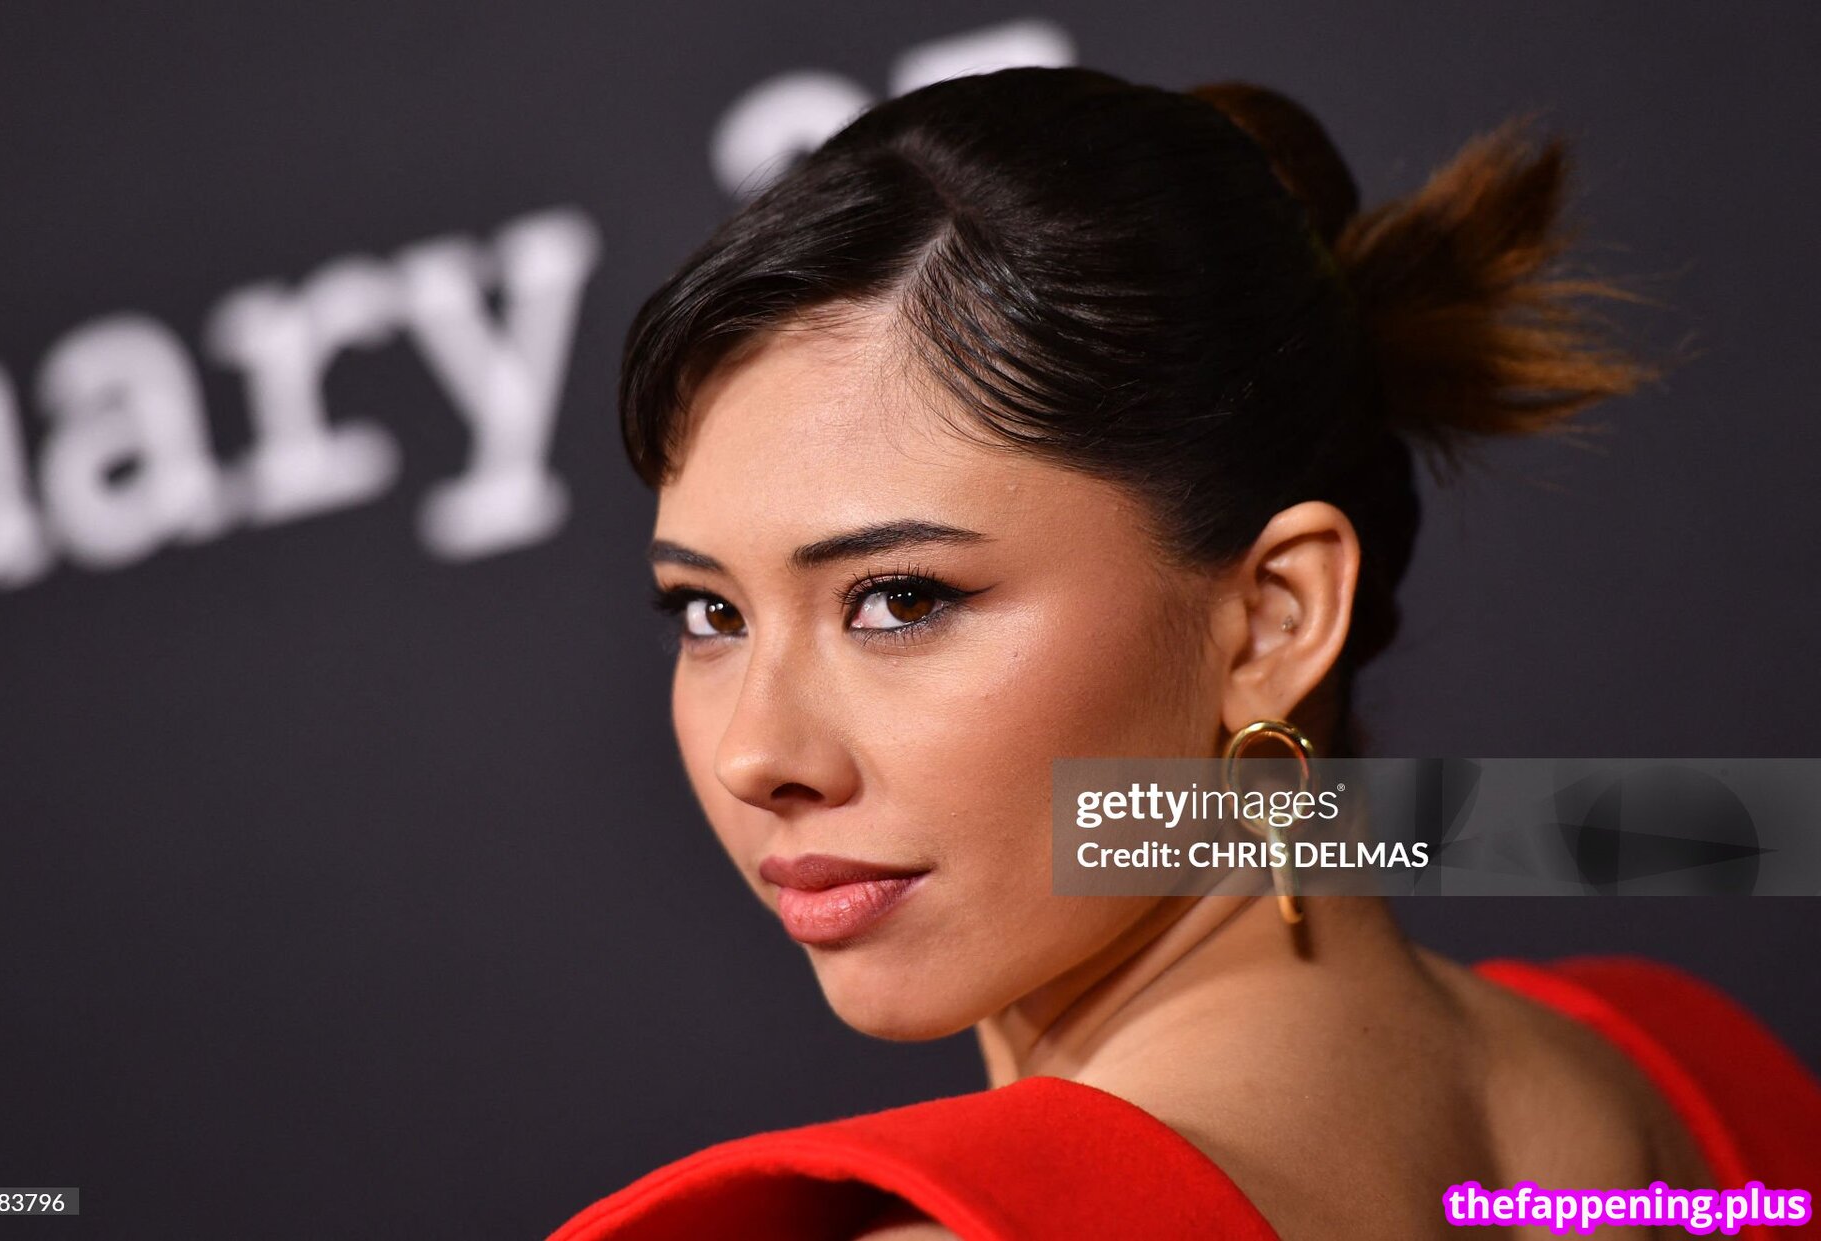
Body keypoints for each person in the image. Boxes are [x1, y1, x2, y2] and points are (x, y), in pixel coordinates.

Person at [552, 67, 1820, 1239]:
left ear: (1274, 616)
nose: (757, 752)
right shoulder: (1693, 1075)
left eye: (898, 598)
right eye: (709, 613)